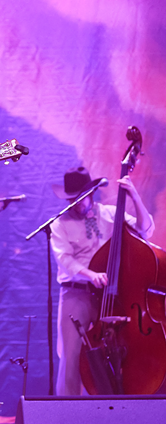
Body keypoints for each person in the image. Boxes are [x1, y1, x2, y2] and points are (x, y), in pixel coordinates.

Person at [50, 166, 155, 395]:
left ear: (92, 193)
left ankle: (109, 407)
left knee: (114, 350)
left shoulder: (110, 214)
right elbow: (66, 260)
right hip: (76, 293)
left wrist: (134, 195)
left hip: (112, 294)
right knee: (72, 354)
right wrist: (91, 274)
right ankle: (66, 413)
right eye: (72, 199)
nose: (78, 203)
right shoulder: (59, 225)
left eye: (81, 197)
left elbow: (145, 229)